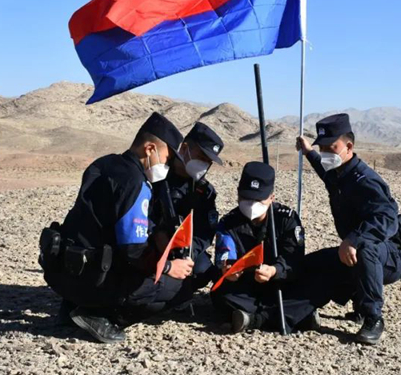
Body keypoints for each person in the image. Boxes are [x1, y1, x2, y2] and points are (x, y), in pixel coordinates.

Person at [39, 112, 195, 343]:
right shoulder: (135, 183)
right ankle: (99, 316)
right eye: (166, 158)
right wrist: (170, 266)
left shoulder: (103, 164)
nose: (167, 165)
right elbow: (134, 250)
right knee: (174, 286)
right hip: (93, 277)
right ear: (150, 149)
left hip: (62, 270)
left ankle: (71, 307)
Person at [296, 113, 401, 345]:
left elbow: (387, 218)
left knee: (365, 248)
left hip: (389, 256)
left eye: (331, 148)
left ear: (349, 146)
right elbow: (323, 171)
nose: (325, 153)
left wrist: (354, 238)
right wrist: (308, 152)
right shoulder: (338, 174)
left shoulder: (365, 180)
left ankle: (372, 318)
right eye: (322, 148)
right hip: (356, 250)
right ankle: (337, 301)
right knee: (310, 264)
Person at [210, 161, 319, 334]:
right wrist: (228, 270)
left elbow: (294, 259)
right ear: (238, 194)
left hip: (281, 284)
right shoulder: (228, 223)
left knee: (311, 285)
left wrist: (275, 270)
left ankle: (255, 319)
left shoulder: (286, 219)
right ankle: (296, 315)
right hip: (247, 286)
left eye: (258, 199)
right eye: (246, 198)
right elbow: (225, 255)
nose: (252, 205)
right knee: (220, 296)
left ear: (271, 197)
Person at [150, 122, 225, 292]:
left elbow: (206, 231)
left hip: (183, 247)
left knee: (202, 271)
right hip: (151, 243)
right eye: (201, 157)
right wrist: (156, 235)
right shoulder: (158, 175)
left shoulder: (205, 192)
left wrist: (190, 252)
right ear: (184, 148)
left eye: (209, 162)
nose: (205, 165)